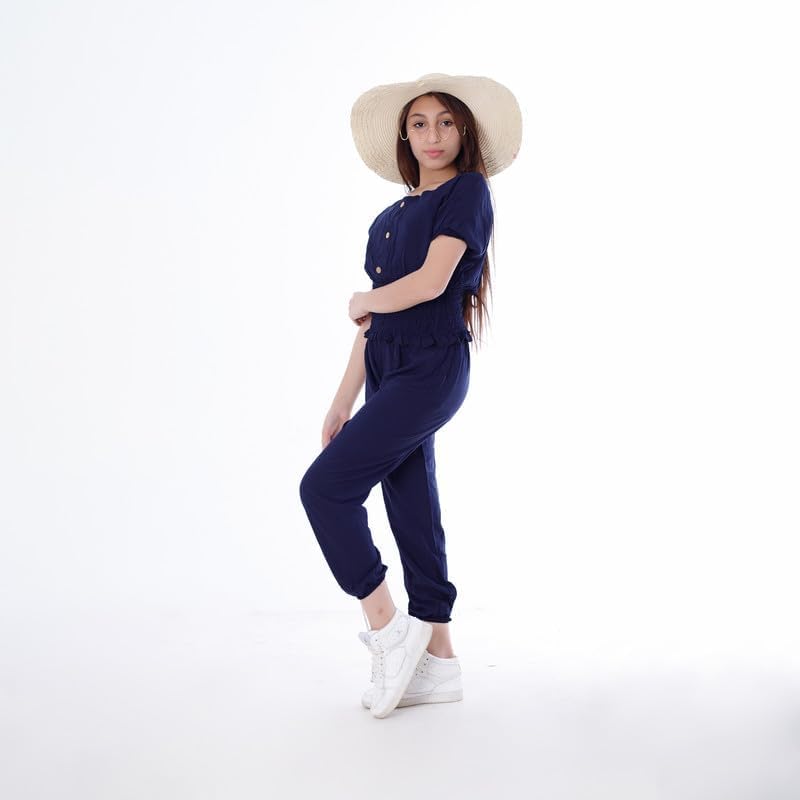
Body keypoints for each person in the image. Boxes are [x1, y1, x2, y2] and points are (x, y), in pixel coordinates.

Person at [299, 72, 522, 718]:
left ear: (464, 132)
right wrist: (342, 401)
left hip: (432, 368)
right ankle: (439, 662)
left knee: (324, 490)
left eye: (446, 122)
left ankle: (388, 628)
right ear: (403, 135)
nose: (433, 134)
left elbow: (430, 284)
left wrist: (363, 298)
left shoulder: (468, 192)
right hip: (387, 370)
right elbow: (372, 327)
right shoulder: (388, 219)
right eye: (419, 123)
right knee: (412, 507)